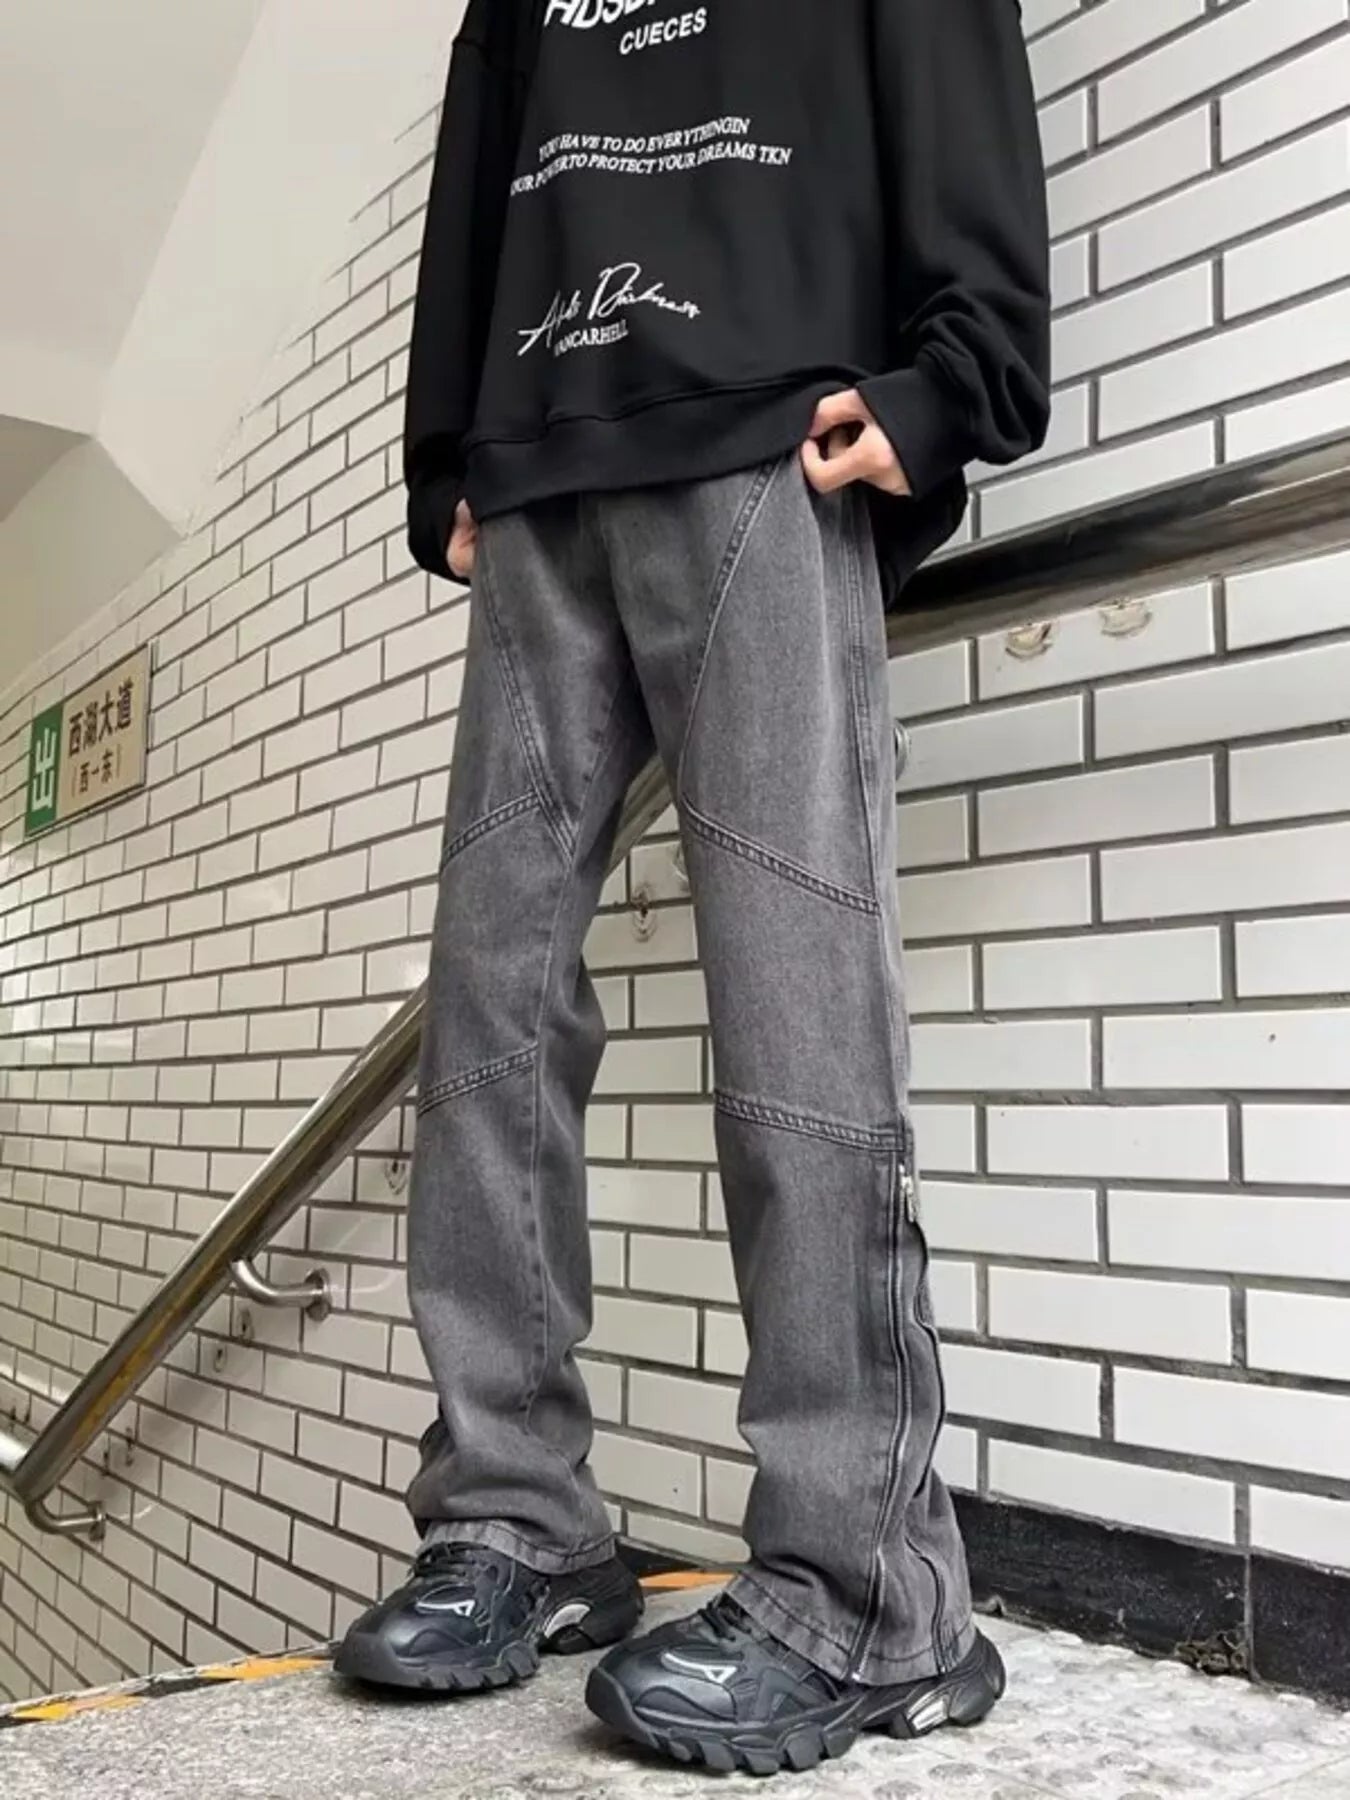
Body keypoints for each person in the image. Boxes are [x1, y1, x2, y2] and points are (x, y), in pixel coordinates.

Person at [336, 0, 1050, 1776]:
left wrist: (955, 374)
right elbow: (478, 184)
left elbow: (946, 61)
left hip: (766, 439)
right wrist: (444, 456)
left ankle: (870, 1593)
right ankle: (518, 1520)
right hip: (541, 475)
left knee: (798, 1003)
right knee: (487, 1014)